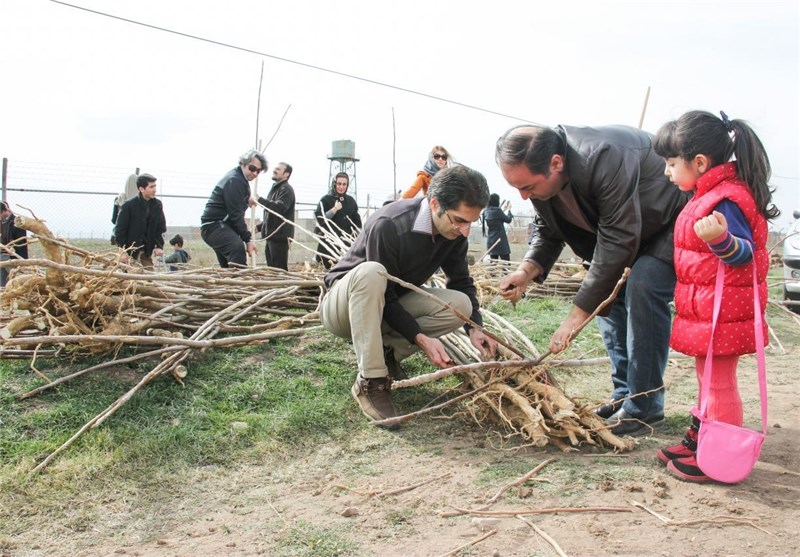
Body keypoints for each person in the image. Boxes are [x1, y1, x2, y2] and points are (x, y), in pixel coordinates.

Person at [496, 123, 689, 437]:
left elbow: (618, 238)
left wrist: (576, 317)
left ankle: (644, 404)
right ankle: (624, 394)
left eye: (527, 187)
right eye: (517, 188)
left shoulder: (602, 156)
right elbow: (548, 230)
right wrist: (525, 272)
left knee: (642, 285)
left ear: (556, 163)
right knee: (609, 301)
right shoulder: (541, 179)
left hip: (667, 222)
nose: (523, 195)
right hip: (626, 234)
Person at [320, 165, 498, 427]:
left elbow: (461, 281)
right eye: (460, 220)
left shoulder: (454, 234)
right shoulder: (389, 224)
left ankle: (387, 353)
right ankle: (371, 381)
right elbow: (385, 292)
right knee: (372, 272)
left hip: (387, 305)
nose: (464, 230)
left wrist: (475, 327)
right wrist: (420, 337)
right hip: (343, 309)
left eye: (471, 222)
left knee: (461, 305)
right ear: (435, 203)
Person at [652, 110, 777, 482]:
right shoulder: (707, 195)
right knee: (708, 380)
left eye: (671, 163)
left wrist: (720, 239)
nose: (666, 172)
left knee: (719, 383)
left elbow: (744, 254)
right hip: (709, 311)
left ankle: (718, 458)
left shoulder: (726, 199)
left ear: (700, 163)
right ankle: (701, 440)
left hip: (725, 313)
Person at [201, 150, 265, 268]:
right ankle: (239, 279)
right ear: (243, 164)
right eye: (252, 168)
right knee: (237, 248)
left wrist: (247, 199)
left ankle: (228, 278)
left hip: (221, 226)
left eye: (258, 171)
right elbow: (236, 214)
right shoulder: (235, 180)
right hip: (214, 226)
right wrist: (248, 239)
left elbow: (234, 201)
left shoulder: (240, 179)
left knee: (228, 263)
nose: (255, 173)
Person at [114, 173, 166, 269]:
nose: (154, 190)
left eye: (155, 186)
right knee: (130, 276)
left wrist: (159, 246)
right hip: (130, 252)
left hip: (147, 251)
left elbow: (160, 228)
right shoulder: (129, 206)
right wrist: (123, 251)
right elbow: (119, 230)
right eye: (151, 187)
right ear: (142, 189)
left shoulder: (157, 205)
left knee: (149, 275)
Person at [314, 172, 362, 269]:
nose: (341, 187)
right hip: (328, 244)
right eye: (339, 184)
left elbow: (357, 223)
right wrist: (334, 209)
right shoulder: (325, 200)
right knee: (326, 270)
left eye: (344, 184)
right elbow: (320, 219)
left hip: (345, 245)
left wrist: (359, 239)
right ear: (334, 184)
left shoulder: (351, 201)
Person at [254, 162, 295, 270]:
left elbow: (279, 208)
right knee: (272, 270)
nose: (274, 170)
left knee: (279, 270)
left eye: (278, 169)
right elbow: (272, 215)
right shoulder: (276, 189)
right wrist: (259, 227)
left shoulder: (286, 189)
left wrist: (260, 200)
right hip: (271, 237)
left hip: (279, 238)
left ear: (286, 174)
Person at [0, 201, 28, 288]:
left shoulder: (16, 222)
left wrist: (14, 253)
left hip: (13, 257)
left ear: (5, 211)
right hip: (2, 255)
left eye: (0, 213)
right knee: (3, 282)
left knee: (15, 280)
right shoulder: (1, 222)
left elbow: (21, 243)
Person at [481, 193, 513, 261]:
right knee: (506, 263)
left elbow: (496, 216)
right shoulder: (498, 211)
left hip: (491, 240)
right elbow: (508, 220)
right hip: (500, 240)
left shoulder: (486, 211)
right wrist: (509, 210)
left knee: (494, 263)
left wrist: (503, 210)